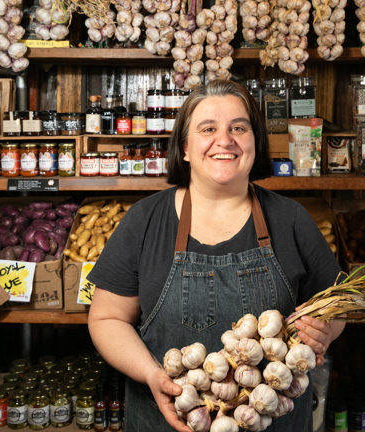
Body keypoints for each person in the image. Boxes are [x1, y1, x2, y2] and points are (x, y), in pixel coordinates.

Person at [88, 80, 345, 432]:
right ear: (185, 148)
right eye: (208, 128)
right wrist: (151, 374)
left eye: (238, 128)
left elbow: (339, 306)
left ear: (255, 143)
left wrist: (325, 330)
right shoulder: (145, 220)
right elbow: (106, 319)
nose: (225, 140)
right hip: (168, 421)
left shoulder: (291, 219)